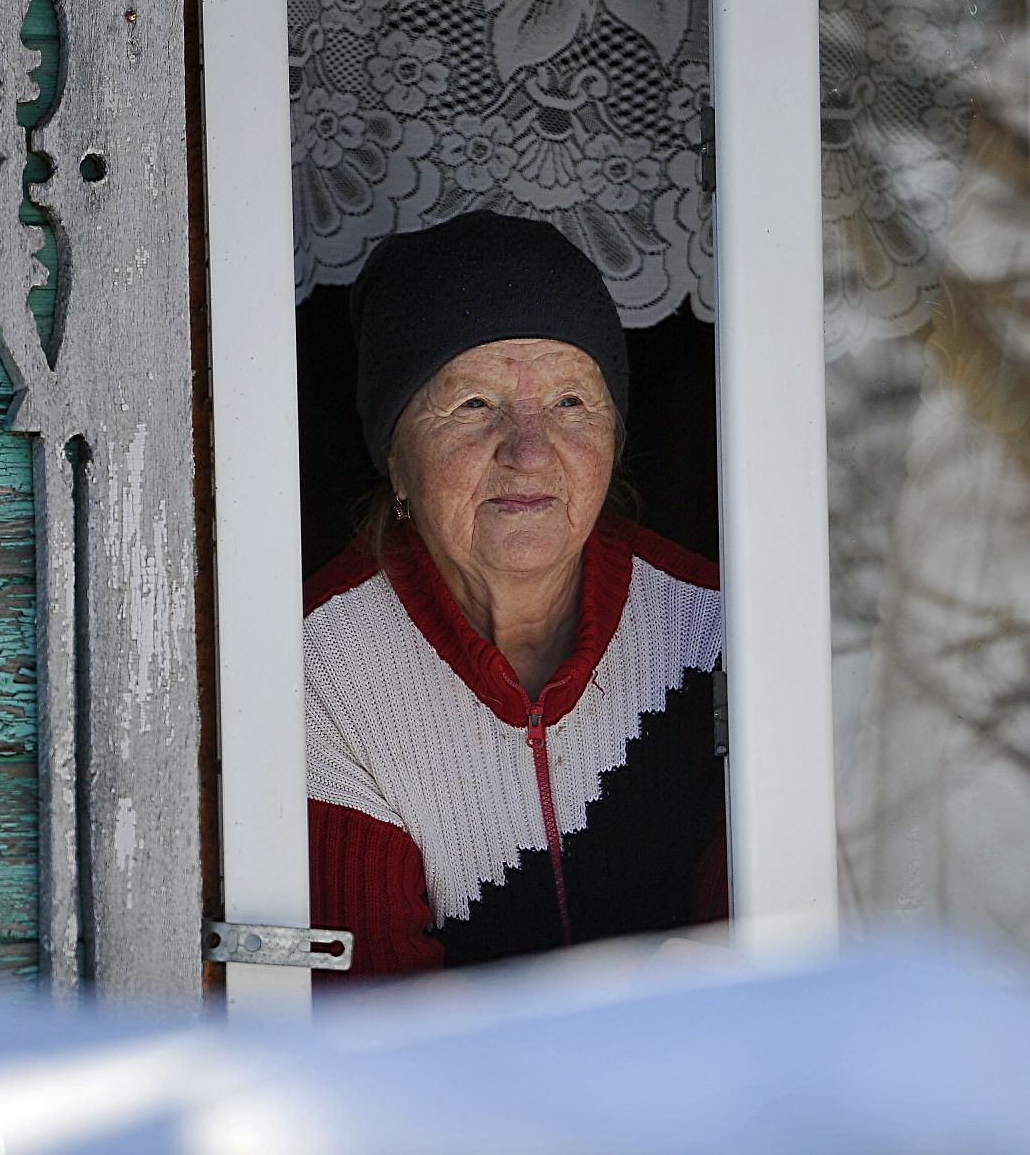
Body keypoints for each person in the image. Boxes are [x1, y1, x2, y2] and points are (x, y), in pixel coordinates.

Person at [305, 210, 727, 978]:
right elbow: (376, 1014)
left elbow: (761, 961)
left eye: (571, 403)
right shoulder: (321, 670)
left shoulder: (717, 631)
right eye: (473, 405)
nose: (529, 452)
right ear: (395, 458)